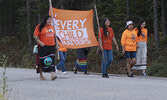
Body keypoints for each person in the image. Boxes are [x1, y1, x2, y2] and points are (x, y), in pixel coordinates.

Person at [33, 14, 57, 80]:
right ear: (45, 20)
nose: (49, 21)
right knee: (42, 61)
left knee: (51, 61)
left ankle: (53, 75)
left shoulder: (52, 27)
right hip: (43, 46)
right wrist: (40, 42)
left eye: (50, 19)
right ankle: (41, 75)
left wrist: (57, 44)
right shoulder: (39, 27)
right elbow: (35, 36)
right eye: (48, 19)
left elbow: (55, 37)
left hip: (52, 46)